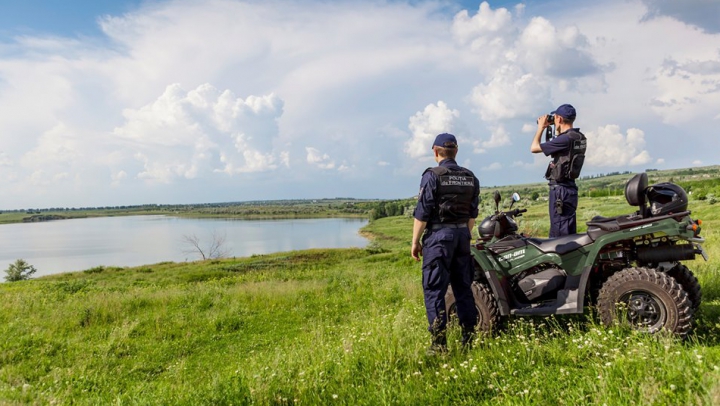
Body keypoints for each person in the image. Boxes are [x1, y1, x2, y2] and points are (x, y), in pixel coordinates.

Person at [411, 133, 479, 354]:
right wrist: (463, 234)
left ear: (435, 152)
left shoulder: (432, 176)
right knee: (463, 288)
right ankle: (469, 338)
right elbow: (472, 215)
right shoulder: (470, 177)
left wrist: (415, 242)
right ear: (456, 151)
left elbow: (422, 213)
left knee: (434, 290)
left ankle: (439, 344)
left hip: (439, 239)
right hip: (462, 237)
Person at [530, 104, 587, 237]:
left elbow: (534, 148)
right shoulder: (579, 137)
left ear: (560, 119)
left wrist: (541, 128)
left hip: (560, 191)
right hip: (570, 189)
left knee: (559, 234)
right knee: (568, 230)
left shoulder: (565, 139)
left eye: (555, 118)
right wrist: (556, 129)